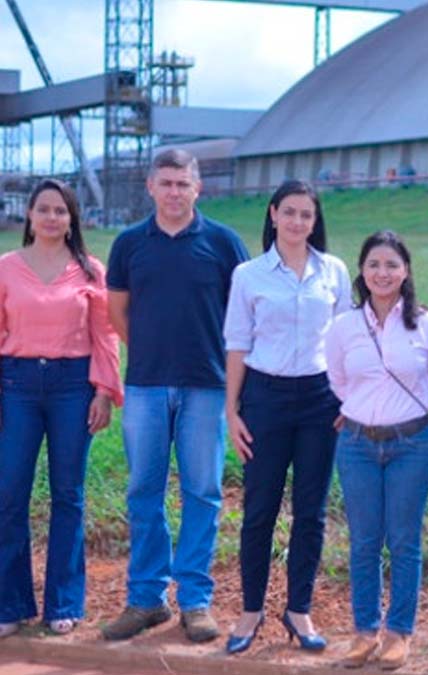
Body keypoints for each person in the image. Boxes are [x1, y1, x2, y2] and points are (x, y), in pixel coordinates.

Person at [102, 148, 250, 643]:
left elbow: (243, 319)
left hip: (206, 386)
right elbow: (118, 313)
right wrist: (150, 351)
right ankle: (146, 599)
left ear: (197, 187)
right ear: (150, 187)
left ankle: (194, 600)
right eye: (165, 183)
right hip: (145, 385)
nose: (174, 192)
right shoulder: (128, 245)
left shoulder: (223, 243)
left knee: (202, 493)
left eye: (183, 183)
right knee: (144, 490)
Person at [222, 180, 352, 654]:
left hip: (321, 400)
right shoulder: (249, 275)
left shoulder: (332, 271)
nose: (298, 222)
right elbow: (237, 343)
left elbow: (347, 340)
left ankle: (299, 609)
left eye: (307, 215)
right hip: (265, 398)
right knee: (259, 510)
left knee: (312, 512)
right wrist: (231, 410)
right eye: (290, 212)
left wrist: (348, 401)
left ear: (315, 223)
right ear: (273, 214)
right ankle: (250, 610)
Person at [0, 179, 122, 638]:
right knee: (10, 493)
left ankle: (63, 603)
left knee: (67, 495)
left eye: (61, 211)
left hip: (73, 386)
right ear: (29, 216)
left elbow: (105, 334)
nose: (52, 218)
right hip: (16, 384)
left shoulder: (90, 271)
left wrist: (105, 391)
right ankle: (10, 604)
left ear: (72, 219)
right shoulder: (6, 268)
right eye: (44, 210)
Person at [325, 230, 428, 670]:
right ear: (362, 270)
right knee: (363, 541)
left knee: (403, 541)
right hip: (357, 444)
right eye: (374, 264)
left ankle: (399, 632)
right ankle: (364, 631)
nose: (383, 273)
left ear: (406, 271)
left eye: (392, 265)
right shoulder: (343, 326)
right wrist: (364, 408)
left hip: (413, 445)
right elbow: (339, 380)